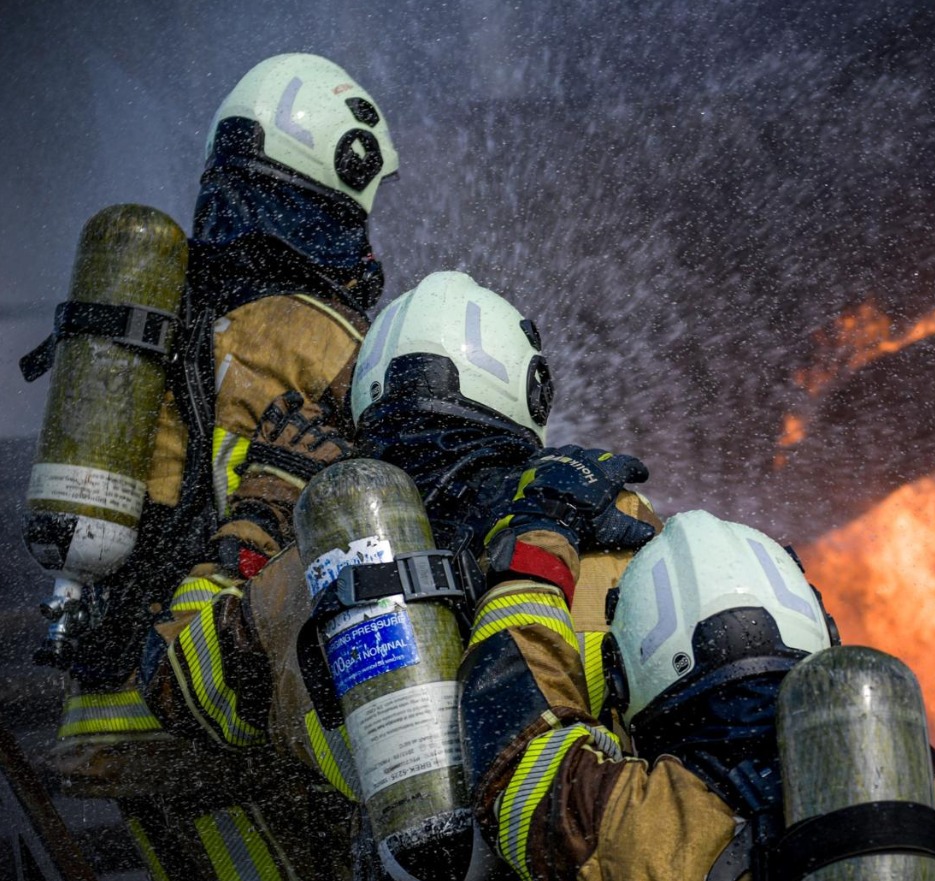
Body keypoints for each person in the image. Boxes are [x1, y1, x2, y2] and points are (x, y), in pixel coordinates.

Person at [141, 270, 660, 880]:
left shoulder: (314, 563)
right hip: (569, 852)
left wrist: (261, 511)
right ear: (529, 391)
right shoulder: (602, 516)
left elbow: (175, 681)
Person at [46, 52, 399, 881]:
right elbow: (400, 473)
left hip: (116, 704)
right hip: (202, 706)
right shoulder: (308, 334)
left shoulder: (171, 318)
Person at [458, 507, 935, 881]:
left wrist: (536, 546)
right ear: (820, 638)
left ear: (624, 678)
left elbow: (513, 748)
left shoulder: (653, 827)